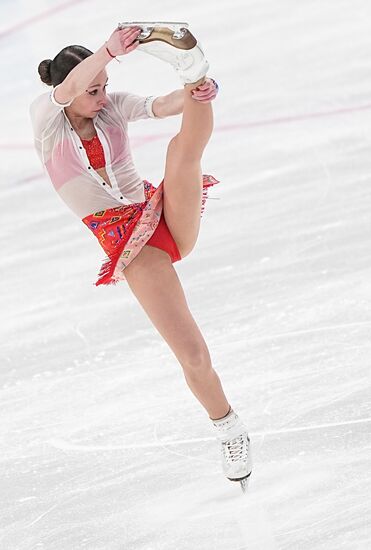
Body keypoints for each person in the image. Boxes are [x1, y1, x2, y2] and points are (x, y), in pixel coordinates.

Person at [29, 23, 252, 491]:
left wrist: (196, 90)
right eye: (94, 90)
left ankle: (196, 66)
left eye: (106, 88)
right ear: (66, 92)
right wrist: (109, 51)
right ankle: (229, 428)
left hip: (164, 215)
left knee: (181, 150)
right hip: (132, 245)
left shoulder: (111, 108)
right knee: (191, 352)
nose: (103, 96)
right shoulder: (46, 122)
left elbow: (164, 106)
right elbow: (72, 86)